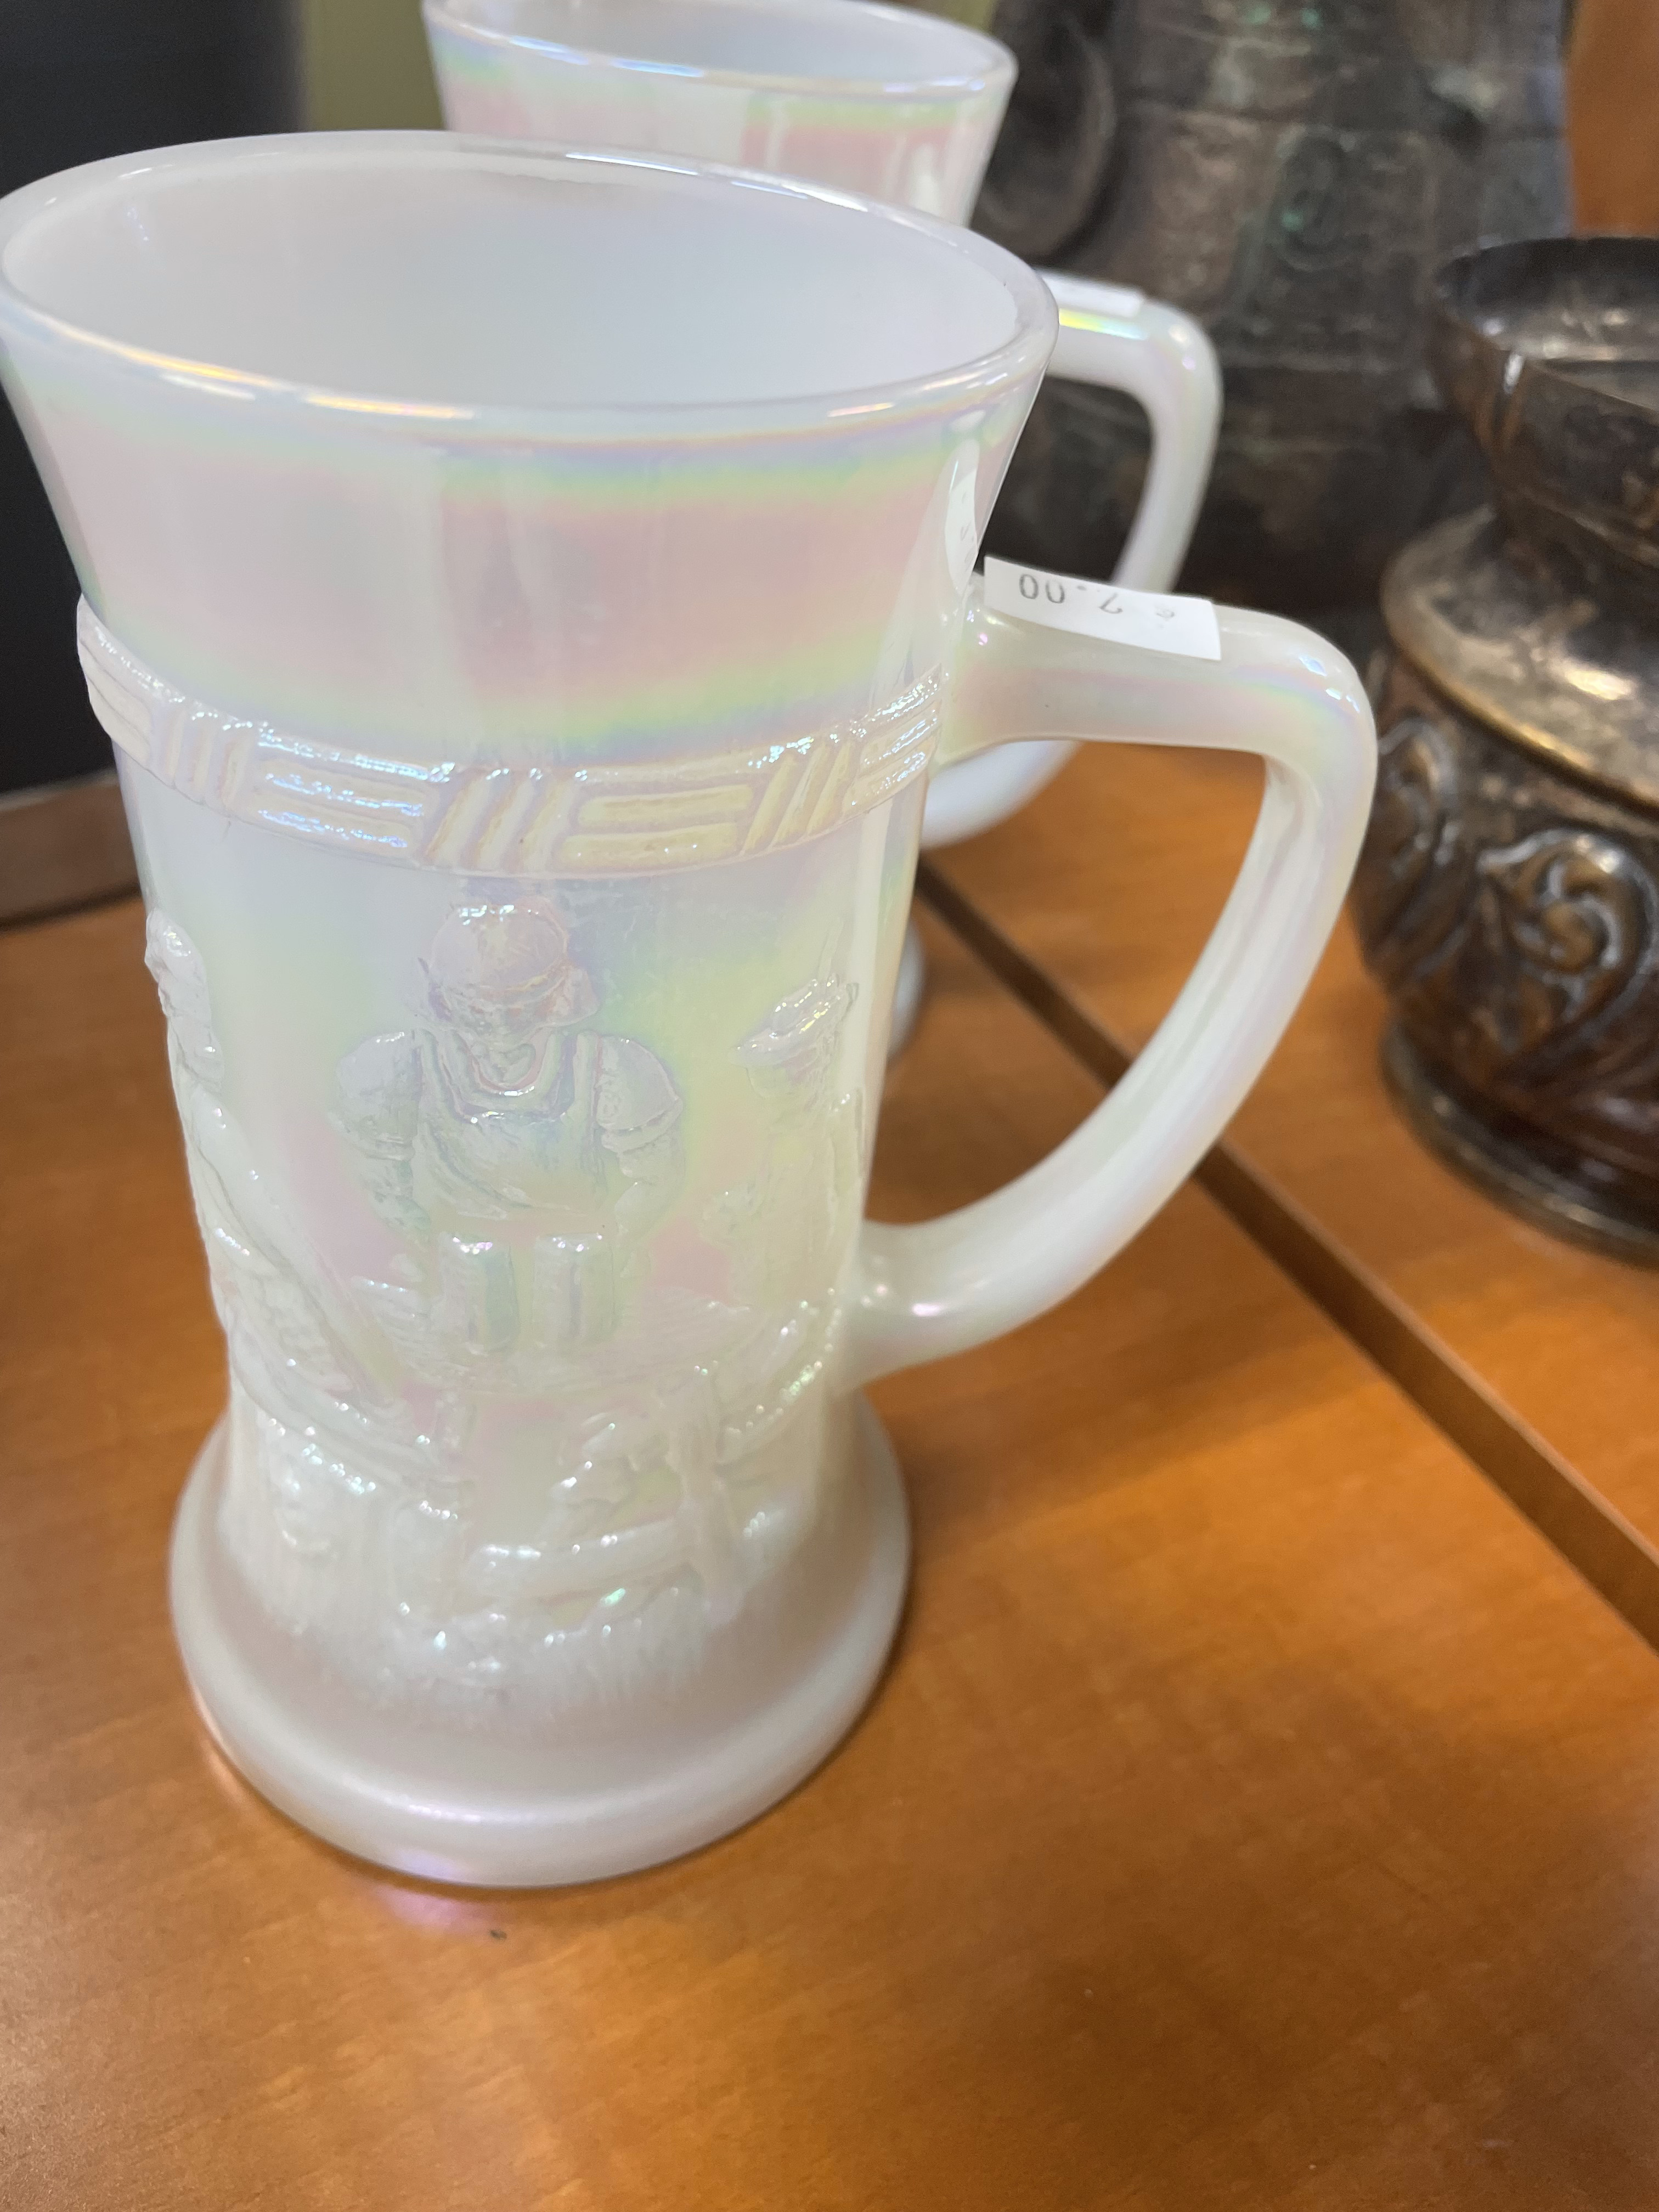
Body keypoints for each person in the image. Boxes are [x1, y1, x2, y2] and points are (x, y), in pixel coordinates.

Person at [335, 896, 684, 1379]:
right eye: (476, 1008)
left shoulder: (611, 1067)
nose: (498, 1025)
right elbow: (381, 1183)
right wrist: (426, 1249)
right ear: (442, 1000)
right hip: (458, 1265)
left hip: (579, 1265)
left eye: (519, 1005)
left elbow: (657, 1177)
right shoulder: (399, 1066)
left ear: (559, 995)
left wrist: (615, 1244)